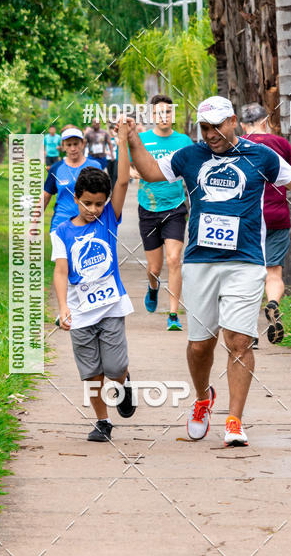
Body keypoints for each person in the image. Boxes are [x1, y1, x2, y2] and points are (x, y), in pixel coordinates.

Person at [125, 95, 291, 448]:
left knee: (237, 341)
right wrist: (131, 137)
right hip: (201, 262)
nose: (211, 134)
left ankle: (235, 420)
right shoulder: (189, 156)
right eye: (205, 128)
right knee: (199, 346)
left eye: (217, 126)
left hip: (246, 261)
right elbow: (149, 172)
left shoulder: (261, 157)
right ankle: (203, 398)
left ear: (233, 121)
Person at [52, 117, 135, 443]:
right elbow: (60, 272)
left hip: (111, 306)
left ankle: (125, 382)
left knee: (114, 368)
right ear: (75, 198)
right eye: (87, 203)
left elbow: (123, 183)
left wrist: (124, 139)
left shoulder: (108, 222)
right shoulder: (62, 232)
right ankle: (102, 421)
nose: (94, 209)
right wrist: (62, 307)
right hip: (80, 310)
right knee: (91, 373)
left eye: (99, 204)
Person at [241, 103, 291, 345]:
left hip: (247, 219)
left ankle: (250, 334)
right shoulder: (281, 144)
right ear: (266, 121)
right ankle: (273, 304)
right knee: (273, 272)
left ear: (241, 124)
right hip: (277, 216)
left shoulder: (237, 144)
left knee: (248, 274)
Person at [134, 94, 192, 331]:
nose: (163, 116)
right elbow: (128, 166)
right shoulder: (142, 140)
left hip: (175, 207)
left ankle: (173, 314)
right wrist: (141, 173)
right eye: (158, 112)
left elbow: (193, 168)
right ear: (152, 116)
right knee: (155, 269)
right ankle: (153, 286)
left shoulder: (184, 141)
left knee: (174, 260)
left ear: (173, 115)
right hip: (148, 208)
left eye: (168, 112)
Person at [33, 126, 105, 244]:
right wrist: (34, 224)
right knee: (62, 262)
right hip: (61, 224)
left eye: (76, 144)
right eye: (69, 145)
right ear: (63, 146)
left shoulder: (95, 166)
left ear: (83, 144)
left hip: (89, 225)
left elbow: (102, 197)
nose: (73, 148)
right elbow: (45, 196)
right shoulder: (56, 168)